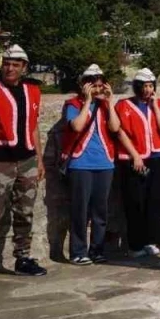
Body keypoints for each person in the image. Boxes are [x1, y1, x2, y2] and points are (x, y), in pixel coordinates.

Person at [0, 44, 47, 287]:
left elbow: (33, 127)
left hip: (27, 161)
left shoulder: (33, 91)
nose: (9, 68)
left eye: (15, 64)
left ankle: (22, 258)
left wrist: (39, 159)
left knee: (25, 213)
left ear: (24, 67)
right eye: (6, 64)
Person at [58, 64, 118, 265]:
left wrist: (110, 103)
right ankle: (78, 251)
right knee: (80, 210)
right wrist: (87, 102)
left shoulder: (105, 105)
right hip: (80, 163)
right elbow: (76, 126)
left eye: (100, 86)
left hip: (105, 163)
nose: (98, 89)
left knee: (100, 210)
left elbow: (115, 127)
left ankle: (97, 249)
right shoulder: (73, 104)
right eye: (94, 86)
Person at [113, 67, 160, 259]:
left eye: (150, 86)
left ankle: (151, 241)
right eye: (144, 86)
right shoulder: (123, 105)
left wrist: (155, 108)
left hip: (156, 157)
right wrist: (135, 155)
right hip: (133, 158)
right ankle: (135, 244)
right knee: (134, 202)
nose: (147, 89)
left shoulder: (159, 104)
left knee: (154, 201)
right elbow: (119, 132)